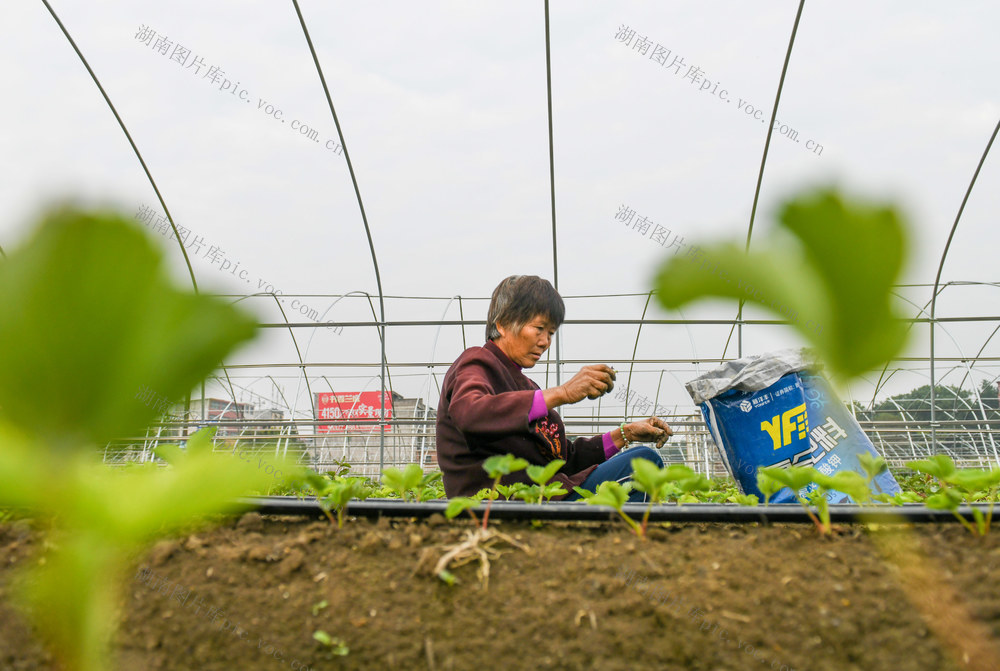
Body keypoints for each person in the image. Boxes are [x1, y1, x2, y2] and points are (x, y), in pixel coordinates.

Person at [435, 275, 672, 501]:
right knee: (645, 463)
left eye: (551, 333)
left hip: (546, 495)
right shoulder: (477, 362)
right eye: (539, 328)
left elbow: (565, 459)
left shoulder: (527, 387)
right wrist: (563, 393)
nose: (545, 342)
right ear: (503, 324)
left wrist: (626, 434)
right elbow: (470, 412)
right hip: (504, 502)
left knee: (640, 459)